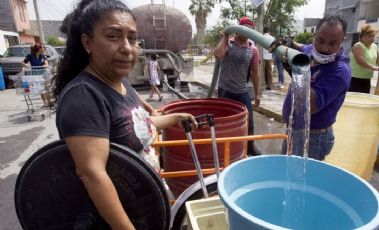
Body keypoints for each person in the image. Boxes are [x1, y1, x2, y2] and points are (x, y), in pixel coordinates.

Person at [52, 1, 197, 229]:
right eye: (113, 36)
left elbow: (137, 126)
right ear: (87, 42)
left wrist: (175, 118)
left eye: (132, 38)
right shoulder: (84, 96)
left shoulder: (120, 83)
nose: (127, 47)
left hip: (145, 210)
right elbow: (92, 174)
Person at [281, 15, 351, 160]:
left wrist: (296, 73)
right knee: (285, 175)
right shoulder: (311, 51)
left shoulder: (339, 71)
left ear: (342, 41)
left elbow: (309, 104)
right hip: (293, 130)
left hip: (313, 139)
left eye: (333, 43)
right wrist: (290, 43)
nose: (325, 48)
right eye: (320, 40)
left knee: (301, 181)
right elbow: (302, 47)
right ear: (315, 35)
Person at [214, 16, 261, 156]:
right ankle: (222, 145)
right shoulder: (228, 42)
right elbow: (218, 55)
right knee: (223, 120)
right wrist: (224, 37)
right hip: (225, 89)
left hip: (241, 90)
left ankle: (250, 146)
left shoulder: (253, 49)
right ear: (238, 29)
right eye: (245, 29)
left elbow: (255, 73)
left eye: (250, 30)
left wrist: (258, 94)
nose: (247, 33)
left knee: (249, 120)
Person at [349, 25, 379, 93]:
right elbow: (360, 60)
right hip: (355, 78)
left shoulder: (374, 46)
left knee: (365, 100)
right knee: (353, 100)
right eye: (369, 36)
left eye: (373, 36)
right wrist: (373, 67)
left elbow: (378, 58)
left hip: (367, 78)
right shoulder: (358, 46)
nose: (372, 38)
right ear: (363, 37)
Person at [22, 43, 53, 108]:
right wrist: (26, 66)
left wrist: (45, 65)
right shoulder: (30, 56)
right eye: (42, 48)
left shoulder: (43, 56)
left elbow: (46, 64)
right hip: (36, 75)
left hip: (44, 74)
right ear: (39, 49)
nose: (43, 49)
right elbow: (23, 62)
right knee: (40, 89)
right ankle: (45, 103)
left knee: (46, 89)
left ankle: (49, 102)